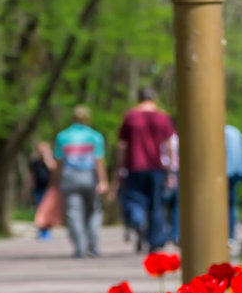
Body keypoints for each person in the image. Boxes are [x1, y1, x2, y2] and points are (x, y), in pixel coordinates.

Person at [117, 88, 175, 253]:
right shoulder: (163, 117)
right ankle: (156, 242)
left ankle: (138, 219)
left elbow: (122, 145)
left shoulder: (131, 116)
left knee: (135, 199)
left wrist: (119, 169)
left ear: (139, 98)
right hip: (157, 166)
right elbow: (169, 144)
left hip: (135, 165)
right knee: (156, 204)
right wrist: (170, 168)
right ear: (154, 98)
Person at [47, 105, 107, 258]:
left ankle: (79, 247)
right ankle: (92, 246)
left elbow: (59, 162)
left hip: (69, 177)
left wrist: (54, 182)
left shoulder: (63, 136)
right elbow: (99, 161)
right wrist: (103, 181)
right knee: (94, 211)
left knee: (73, 213)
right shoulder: (95, 136)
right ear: (88, 119)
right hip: (90, 176)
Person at [225, 124, 242, 240]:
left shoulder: (223, 133)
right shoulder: (235, 131)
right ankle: (231, 234)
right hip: (237, 172)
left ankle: (228, 233)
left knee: (225, 204)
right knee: (232, 204)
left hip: (226, 173)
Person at [29, 142, 53, 239]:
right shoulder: (34, 162)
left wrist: (47, 158)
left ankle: (46, 230)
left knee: (48, 211)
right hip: (38, 188)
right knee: (39, 209)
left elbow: (53, 169)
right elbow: (30, 176)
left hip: (50, 189)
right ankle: (41, 230)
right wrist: (25, 189)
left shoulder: (53, 160)